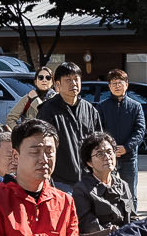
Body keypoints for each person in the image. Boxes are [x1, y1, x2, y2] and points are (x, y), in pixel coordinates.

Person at [23, 60, 105, 194]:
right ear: (57, 85)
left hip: (87, 179)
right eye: (68, 79)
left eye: (76, 79)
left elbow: (98, 142)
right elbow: (42, 145)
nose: (73, 83)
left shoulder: (90, 110)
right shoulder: (47, 110)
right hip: (60, 180)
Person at [75, 133, 138, 236]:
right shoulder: (82, 190)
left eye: (109, 152)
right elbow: (91, 228)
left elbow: (133, 218)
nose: (107, 157)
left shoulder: (123, 185)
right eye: (100, 154)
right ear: (89, 162)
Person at [94, 69, 147, 194]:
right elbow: (98, 130)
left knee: (130, 193)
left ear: (126, 85)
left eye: (120, 82)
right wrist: (110, 148)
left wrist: (127, 147)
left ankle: (130, 214)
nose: (117, 86)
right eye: (113, 83)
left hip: (129, 157)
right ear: (109, 86)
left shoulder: (136, 106)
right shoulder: (102, 106)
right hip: (107, 157)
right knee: (106, 191)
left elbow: (140, 130)